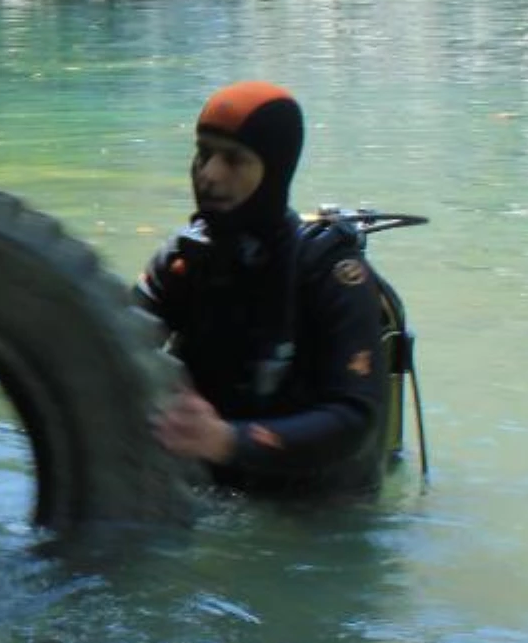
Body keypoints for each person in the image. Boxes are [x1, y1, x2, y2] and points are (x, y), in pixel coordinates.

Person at [135, 80, 389, 497]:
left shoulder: (330, 272)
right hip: (215, 490)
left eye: (233, 160)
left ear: (274, 171)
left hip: (317, 513)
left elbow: (355, 418)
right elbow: (111, 339)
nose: (209, 174)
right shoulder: (185, 261)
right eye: (203, 153)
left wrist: (227, 441)